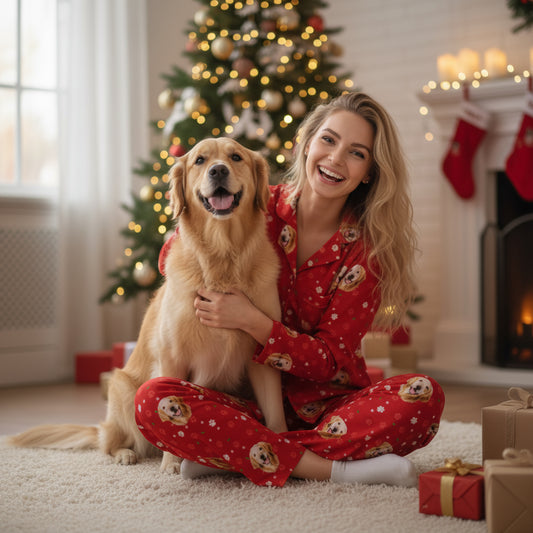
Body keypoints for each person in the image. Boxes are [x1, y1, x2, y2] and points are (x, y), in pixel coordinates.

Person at [134, 92, 444, 488]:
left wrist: (254, 322)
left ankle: (239, 456)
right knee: (152, 399)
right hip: (249, 403)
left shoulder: (366, 253)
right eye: (328, 140)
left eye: (356, 153)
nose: (334, 159)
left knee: (422, 395)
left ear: (368, 171)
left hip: (331, 407)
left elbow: (330, 361)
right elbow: (173, 255)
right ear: (308, 143)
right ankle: (334, 469)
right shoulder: (257, 204)